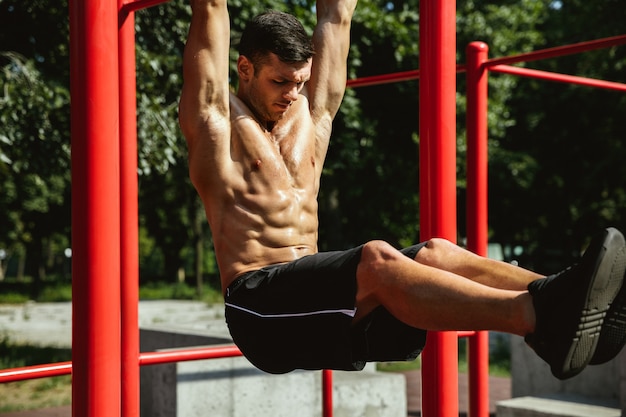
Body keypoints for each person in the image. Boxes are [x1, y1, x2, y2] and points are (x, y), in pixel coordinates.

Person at [178, 0, 626, 380]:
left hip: (323, 301)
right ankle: (540, 321)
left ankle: (562, 295)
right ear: (244, 68)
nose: (293, 93)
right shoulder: (215, 123)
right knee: (376, 259)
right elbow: (211, 6)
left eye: (300, 81)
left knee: (436, 252)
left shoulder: (311, 116)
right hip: (261, 311)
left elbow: (336, 16)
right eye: (280, 82)